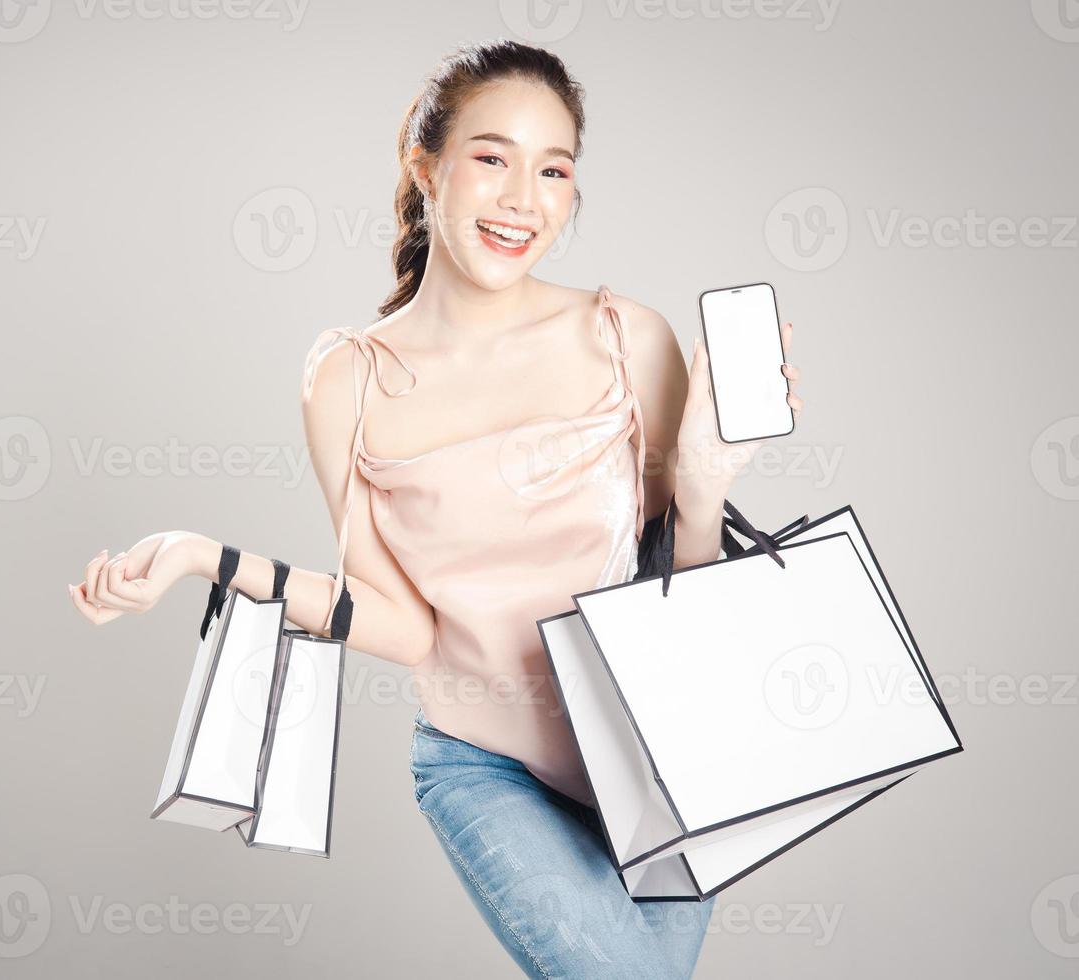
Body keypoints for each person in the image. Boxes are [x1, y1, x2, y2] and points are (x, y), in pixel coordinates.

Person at [69, 38, 802, 979]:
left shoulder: (627, 338)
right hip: (483, 761)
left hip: (659, 756)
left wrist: (700, 491)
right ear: (427, 169)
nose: (522, 200)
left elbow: (684, 603)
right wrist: (195, 554)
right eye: (492, 158)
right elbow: (407, 627)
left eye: (554, 170)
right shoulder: (351, 378)